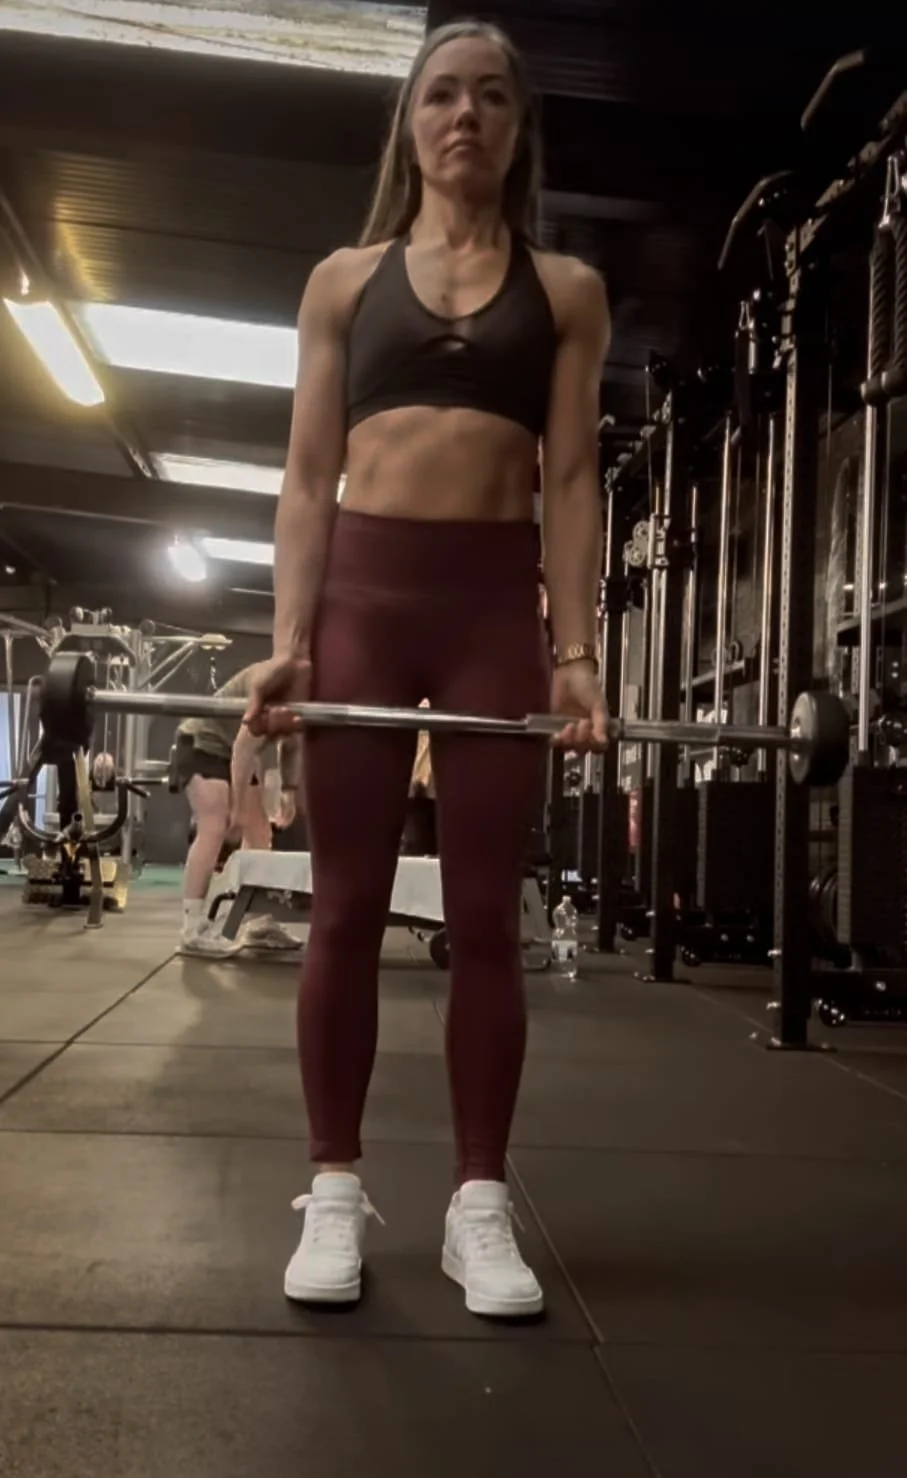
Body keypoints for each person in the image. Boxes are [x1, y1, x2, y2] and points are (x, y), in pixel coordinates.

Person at [245, 18, 610, 1318]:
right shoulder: (342, 281)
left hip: (484, 615)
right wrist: (288, 642)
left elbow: (567, 480)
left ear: (517, 130)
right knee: (341, 903)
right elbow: (303, 477)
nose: (465, 115)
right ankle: (333, 1192)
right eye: (441, 95)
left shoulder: (564, 291)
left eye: (490, 98)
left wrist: (574, 652)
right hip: (359, 598)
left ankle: (476, 1205)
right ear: (409, 124)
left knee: (481, 920)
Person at [175, 665, 301, 955]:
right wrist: (235, 807)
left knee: (260, 831)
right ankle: (192, 929)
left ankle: (257, 921)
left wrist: (290, 792)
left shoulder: (308, 696)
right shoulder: (275, 682)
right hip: (202, 742)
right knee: (215, 825)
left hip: (232, 748)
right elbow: (244, 750)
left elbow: (293, 746)